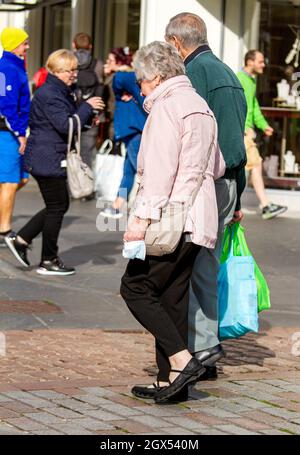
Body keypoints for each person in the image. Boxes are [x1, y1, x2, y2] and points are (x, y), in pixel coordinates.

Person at [120, 41, 226, 402]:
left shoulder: (167, 108)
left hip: (172, 218)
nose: (140, 88)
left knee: (134, 288)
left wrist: (139, 220)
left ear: (159, 76)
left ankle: (182, 361)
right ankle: (171, 383)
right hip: (200, 219)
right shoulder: (201, 106)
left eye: (142, 80)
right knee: (172, 297)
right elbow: (219, 166)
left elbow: (160, 173)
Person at [165, 12, 247, 379]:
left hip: (209, 181)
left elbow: (193, 135)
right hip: (227, 180)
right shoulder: (228, 73)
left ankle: (200, 348)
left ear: (176, 43)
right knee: (205, 265)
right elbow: (237, 138)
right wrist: (239, 195)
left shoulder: (194, 74)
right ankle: (204, 344)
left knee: (191, 265)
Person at [5, 50, 104, 276]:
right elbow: (65, 125)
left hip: (49, 155)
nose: (74, 75)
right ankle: (48, 259)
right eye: (70, 71)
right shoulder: (50, 94)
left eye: (75, 70)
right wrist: (87, 107)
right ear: (57, 71)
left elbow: (71, 123)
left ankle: (22, 239)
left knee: (57, 205)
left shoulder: (60, 91)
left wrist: (88, 118)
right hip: (46, 157)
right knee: (58, 206)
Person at [237, 50, 288, 220]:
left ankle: (263, 205)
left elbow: (254, 106)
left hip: (246, 131)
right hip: (243, 132)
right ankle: (265, 206)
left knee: (253, 167)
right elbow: (238, 104)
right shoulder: (241, 79)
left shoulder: (251, 80)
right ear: (250, 62)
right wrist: (244, 128)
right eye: (260, 61)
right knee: (255, 165)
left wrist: (264, 126)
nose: (263, 64)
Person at [100, 69, 147, 219]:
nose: (108, 63)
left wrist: (118, 68)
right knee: (129, 170)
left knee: (142, 171)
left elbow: (120, 78)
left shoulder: (129, 80)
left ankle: (143, 210)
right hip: (133, 131)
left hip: (134, 131)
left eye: (112, 60)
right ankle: (117, 205)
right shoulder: (132, 89)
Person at [0, 28, 30, 248]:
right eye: (24, 43)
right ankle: (4, 231)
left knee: (22, 178)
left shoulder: (14, 66)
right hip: (7, 133)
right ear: (13, 44)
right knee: (10, 182)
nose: (27, 46)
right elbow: (6, 105)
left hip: (12, 132)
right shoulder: (7, 69)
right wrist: (20, 134)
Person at [72, 32, 105, 187]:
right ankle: (87, 186)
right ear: (90, 47)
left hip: (72, 113)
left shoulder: (70, 62)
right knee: (87, 152)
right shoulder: (97, 64)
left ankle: (71, 184)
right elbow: (101, 89)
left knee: (70, 150)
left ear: (73, 45)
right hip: (91, 115)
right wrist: (98, 114)